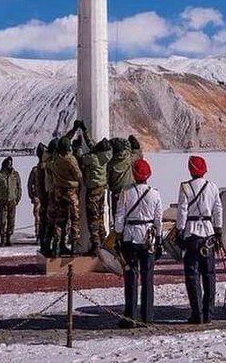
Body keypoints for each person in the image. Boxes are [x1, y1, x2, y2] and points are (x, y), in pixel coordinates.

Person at [114, 156, 163, 328]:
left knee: (131, 277)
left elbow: (119, 216)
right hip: (148, 238)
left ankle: (130, 315)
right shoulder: (154, 193)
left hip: (130, 237)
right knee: (148, 277)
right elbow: (158, 219)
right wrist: (159, 238)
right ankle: (148, 315)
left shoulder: (126, 192)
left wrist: (118, 234)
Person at [176, 154, 222, 325]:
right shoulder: (212, 187)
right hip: (208, 233)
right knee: (209, 274)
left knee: (192, 275)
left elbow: (182, 211)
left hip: (192, 233)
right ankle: (209, 312)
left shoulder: (185, 187)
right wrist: (218, 230)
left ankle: (197, 313)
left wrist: (180, 230)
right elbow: (218, 210)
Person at [75, 123, 111, 255]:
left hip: (93, 192)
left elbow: (81, 158)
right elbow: (93, 146)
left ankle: (95, 244)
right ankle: (103, 241)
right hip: (102, 190)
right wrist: (85, 132)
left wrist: (78, 147)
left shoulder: (93, 159)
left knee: (93, 218)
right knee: (100, 216)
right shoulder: (105, 156)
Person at [47, 135, 83, 256]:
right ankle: (74, 245)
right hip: (70, 192)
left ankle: (57, 245)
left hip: (59, 192)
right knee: (75, 219)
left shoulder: (55, 158)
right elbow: (78, 175)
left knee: (60, 220)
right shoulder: (71, 160)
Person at [108, 135, 142, 215]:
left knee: (117, 217)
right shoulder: (128, 159)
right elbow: (137, 153)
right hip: (130, 192)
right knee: (131, 216)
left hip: (117, 194)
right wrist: (128, 142)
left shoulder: (110, 163)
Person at [0, 156, 22, 246]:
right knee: (3, 220)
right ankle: (3, 238)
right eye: (8, 163)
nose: (10, 165)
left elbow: (19, 187)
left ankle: (9, 238)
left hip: (12, 200)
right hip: (3, 201)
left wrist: (18, 198)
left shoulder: (15, 175)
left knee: (11, 220)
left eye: (11, 163)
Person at [28, 143, 46, 244]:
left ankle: (44, 236)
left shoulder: (48, 167)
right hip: (39, 197)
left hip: (46, 196)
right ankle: (39, 236)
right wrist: (32, 195)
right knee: (38, 218)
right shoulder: (35, 170)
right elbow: (30, 184)